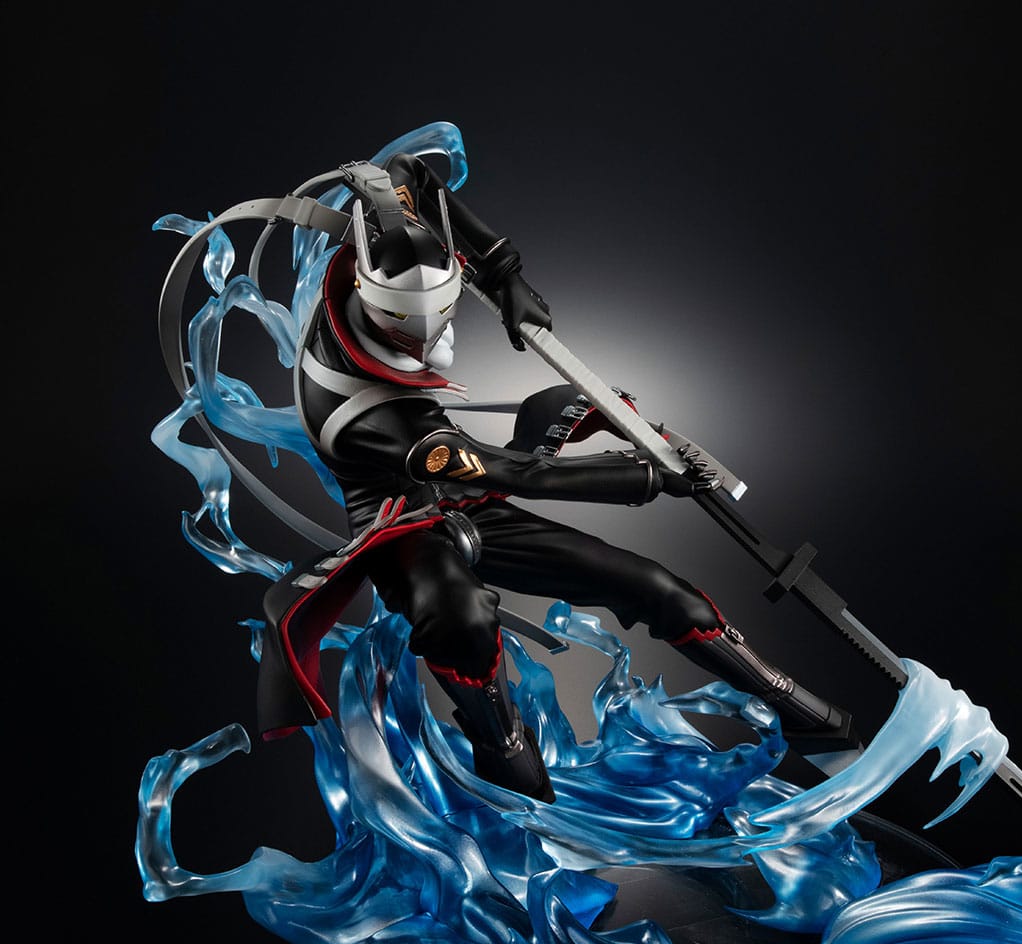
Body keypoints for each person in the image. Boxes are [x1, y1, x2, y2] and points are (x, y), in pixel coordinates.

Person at [256, 153, 857, 801]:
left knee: (652, 586)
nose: (429, 339)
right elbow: (516, 472)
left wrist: (503, 274)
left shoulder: (387, 224)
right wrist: (640, 477)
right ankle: (509, 768)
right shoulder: (364, 415)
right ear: (371, 293)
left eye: (441, 313)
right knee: (460, 618)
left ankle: (808, 722)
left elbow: (413, 174)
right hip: (402, 524)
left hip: (468, 497)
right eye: (408, 324)